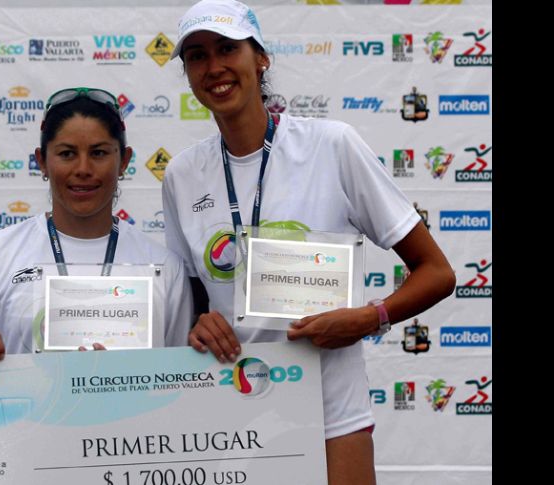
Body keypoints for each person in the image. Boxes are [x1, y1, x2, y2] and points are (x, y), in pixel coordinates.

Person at [161, 1, 456, 484]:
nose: (213, 67)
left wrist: (370, 318)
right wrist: (198, 325)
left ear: (261, 58)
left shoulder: (332, 145)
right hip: (228, 416)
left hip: (330, 413)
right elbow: (192, 304)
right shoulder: (182, 175)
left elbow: (437, 273)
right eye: (197, 56)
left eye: (227, 49)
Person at [0, 87, 193, 414]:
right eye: (67, 153)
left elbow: (181, 397)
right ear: (41, 161)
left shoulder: (165, 267)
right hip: (25, 445)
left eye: (99, 153)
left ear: (124, 161)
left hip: (128, 444)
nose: (83, 168)